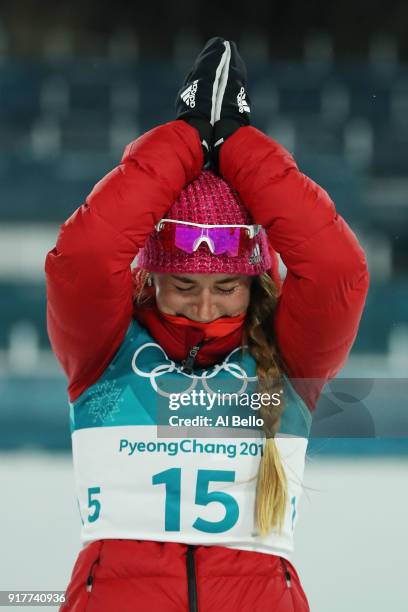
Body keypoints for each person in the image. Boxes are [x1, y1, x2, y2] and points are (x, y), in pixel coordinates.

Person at [45, 38, 369, 611]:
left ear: (255, 281)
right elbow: (88, 254)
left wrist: (239, 147)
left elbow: (338, 268)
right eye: (183, 287)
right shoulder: (105, 349)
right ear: (149, 279)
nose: (203, 308)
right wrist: (189, 138)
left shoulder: (290, 359)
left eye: (226, 288)